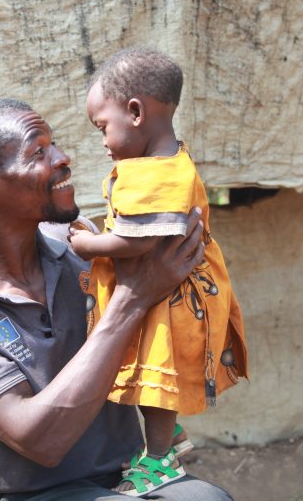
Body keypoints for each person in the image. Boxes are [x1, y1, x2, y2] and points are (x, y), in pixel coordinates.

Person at [0, 98, 236, 501]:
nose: (62, 158)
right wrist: (132, 298)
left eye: (54, 145)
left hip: (125, 481)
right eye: (38, 152)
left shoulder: (81, 247)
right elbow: (41, 441)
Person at [68, 46, 248, 496]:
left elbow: (141, 240)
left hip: (171, 300)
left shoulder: (160, 172)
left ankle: (160, 460)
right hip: (162, 294)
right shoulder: (156, 162)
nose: (103, 140)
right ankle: (167, 437)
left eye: (102, 127)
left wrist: (90, 245)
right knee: (147, 378)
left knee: (155, 376)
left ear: (134, 112)